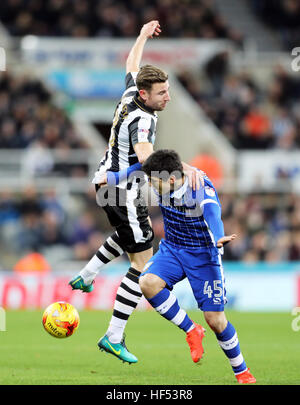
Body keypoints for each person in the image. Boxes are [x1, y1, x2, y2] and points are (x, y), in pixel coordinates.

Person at [69, 20, 202, 364]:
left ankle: (88, 276)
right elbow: (146, 158)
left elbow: (131, 65)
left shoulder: (131, 92)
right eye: (162, 93)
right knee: (143, 264)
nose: (168, 97)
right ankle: (113, 335)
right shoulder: (144, 118)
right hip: (122, 191)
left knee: (133, 241)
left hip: (108, 186)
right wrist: (183, 169)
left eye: (168, 90)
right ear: (145, 95)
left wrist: (142, 36)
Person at [139, 149, 256, 384]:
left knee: (215, 319)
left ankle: (242, 372)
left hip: (203, 255)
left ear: (171, 180)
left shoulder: (200, 186)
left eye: (152, 182)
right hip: (172, 249)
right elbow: (143, 156)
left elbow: (213, 212)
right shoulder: (165, 176)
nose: (150, 186)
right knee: (147, 282)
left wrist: (219, 237)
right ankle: (192, 329)